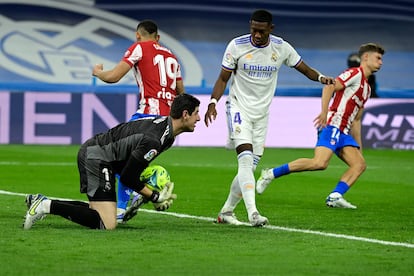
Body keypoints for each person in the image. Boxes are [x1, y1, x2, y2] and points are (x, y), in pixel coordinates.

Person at [204, 9, 335, 226]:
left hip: (261, 115)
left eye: (261, 31)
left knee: (250, 166)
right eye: (253, 29)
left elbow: (304, 68)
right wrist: (212, 103)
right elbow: (222, 78)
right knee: (245, 161)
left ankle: (226, 212)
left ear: (270, 29)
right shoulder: (236, 46)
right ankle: (253, 213)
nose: (256, 35)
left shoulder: (281, 47)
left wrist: (321, 78)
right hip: (238, 108)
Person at [24, 93, 201, 230]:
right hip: (97, 157)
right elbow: (127, 177)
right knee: (107, 223)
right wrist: (154, 195)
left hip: (103, 156)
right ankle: (45, 206)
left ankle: (41, 200)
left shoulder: (165, 133)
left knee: (102, 211)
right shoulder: (156, 139)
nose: (198, 119)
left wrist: (144, 193)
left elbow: (130, 166)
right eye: (196, 114)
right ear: (185, 114)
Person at [256, 43, 385, 208]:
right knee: (319, 163)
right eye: (378, 58)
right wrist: (324, 112)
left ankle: (335, 196)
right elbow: (329, 86)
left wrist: (358, 146)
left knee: (360, 164)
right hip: (333, 125)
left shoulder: (366, 89)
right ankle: (270, 174)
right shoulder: (354, 74)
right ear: (366, 57)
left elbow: (357, 120)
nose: (381, 62)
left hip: (344, 132)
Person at [92, 20, 185, 222]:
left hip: (146, 117)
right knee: (127, 163)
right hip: (168, 122)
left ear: (137, 35)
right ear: (158, 37)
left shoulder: (139, 48)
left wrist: (98, 72)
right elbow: (181, 94)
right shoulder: (172, 56)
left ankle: (151, 180)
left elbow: (114, 77)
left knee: (115, 161)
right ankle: (127, 203)